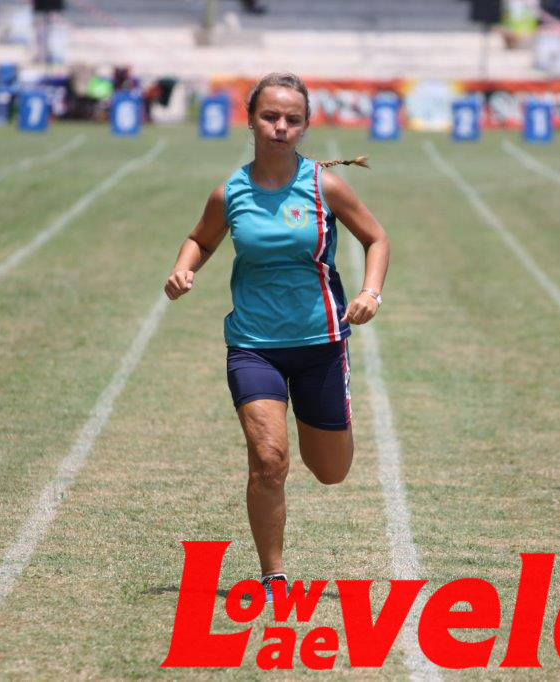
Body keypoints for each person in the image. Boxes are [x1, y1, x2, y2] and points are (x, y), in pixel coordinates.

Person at [164, 73, 389, 600]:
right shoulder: (231, 192)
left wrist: (370, 293)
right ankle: (273, 576)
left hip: (321, 344)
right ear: (251, 121)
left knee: (330, 470)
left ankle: (334, 413)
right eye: (269, 117)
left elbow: (376, 238)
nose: (280, 127)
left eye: (292, 119)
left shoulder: (324, 186)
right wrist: (182, 268)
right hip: (253, 345)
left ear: (305, 126)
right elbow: (201, 238)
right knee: (269, 461)